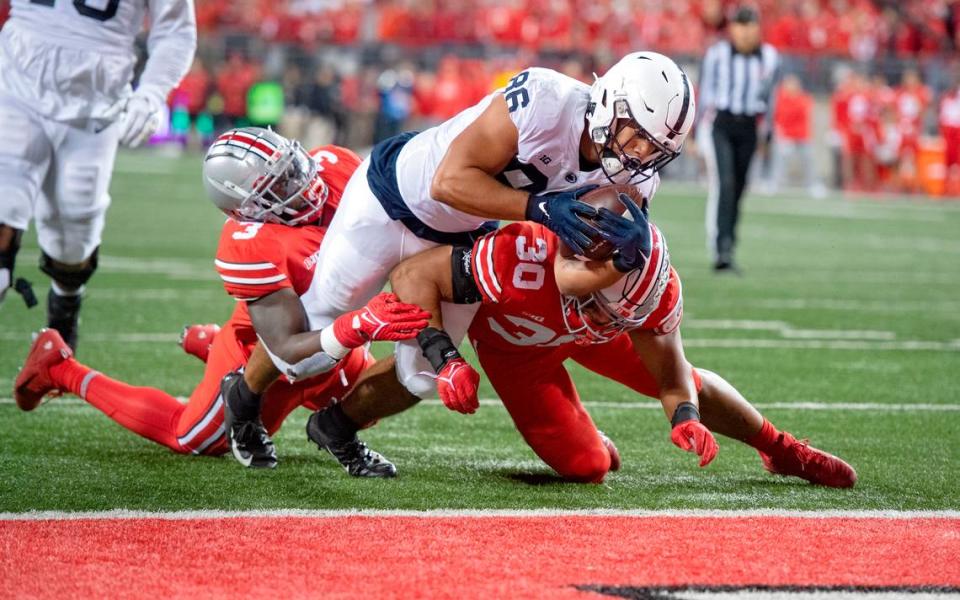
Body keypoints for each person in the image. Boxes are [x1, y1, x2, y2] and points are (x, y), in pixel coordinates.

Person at [231, 51, 697, 471]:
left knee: (424, 375)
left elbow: (571, 270)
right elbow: (448, 182)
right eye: (636, 136)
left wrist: (626, 256)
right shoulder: (545, 101)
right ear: (611, 102)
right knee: (314, 336)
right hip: (392, 200)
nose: (640, 154)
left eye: (656, 149)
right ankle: (244, 400)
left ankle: (336, 428)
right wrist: (538, 209)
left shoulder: (632, 184)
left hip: (465, 231)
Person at [13, 128, 430, 472]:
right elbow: (285, 348)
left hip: (334, 344)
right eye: (280, 186)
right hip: (266, 353)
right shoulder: (249, 243)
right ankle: (58, 367)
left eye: (292, 169)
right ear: (248, 210)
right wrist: (359, 325)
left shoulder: (335, 166)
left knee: (367, 405)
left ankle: (206, 344)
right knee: (191, 437)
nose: (302, 186)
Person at [387, 194, 857, 487]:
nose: (609, 319)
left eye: (628, 315)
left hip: (578, 333)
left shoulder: (642, 294)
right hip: (519, 348)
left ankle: (783, 450)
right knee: (588, 466)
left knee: (691, 382)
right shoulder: (523, 256)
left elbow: (673, 377)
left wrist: (685, 417)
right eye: (605, 307)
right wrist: (445, 357)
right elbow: (411, 275)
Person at [0, 0, 197, 350]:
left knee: (73, 235)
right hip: (15, 80)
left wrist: (152, 93)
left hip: (96, 103)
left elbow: (176, 30)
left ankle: (64, 306)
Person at [698, 6, 780, 273]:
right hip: (722, 124)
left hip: (748, 126)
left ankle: (729, 244)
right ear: (732, 29)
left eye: (750, 26)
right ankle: (722, 248)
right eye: (740, 26)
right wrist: (693, 129)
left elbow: (770, 99)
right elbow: (706, 92)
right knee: (727, 183)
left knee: (740, 186)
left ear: (758, 29)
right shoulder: (717, 54)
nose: (745, 33)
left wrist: (767, 133)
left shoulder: (769, 57)